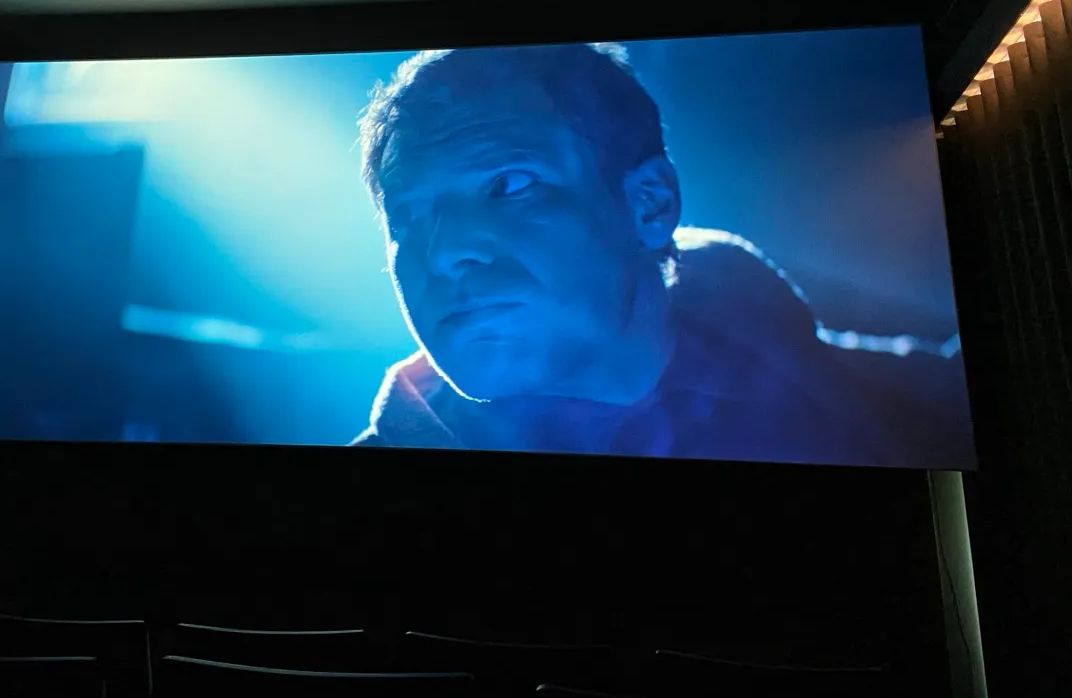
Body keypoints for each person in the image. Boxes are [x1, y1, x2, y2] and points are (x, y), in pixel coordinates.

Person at [348, 43, 935, 464]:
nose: (445, 251)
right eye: (408, 217)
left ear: (650, 204)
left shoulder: (782, 357)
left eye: (509, 185)